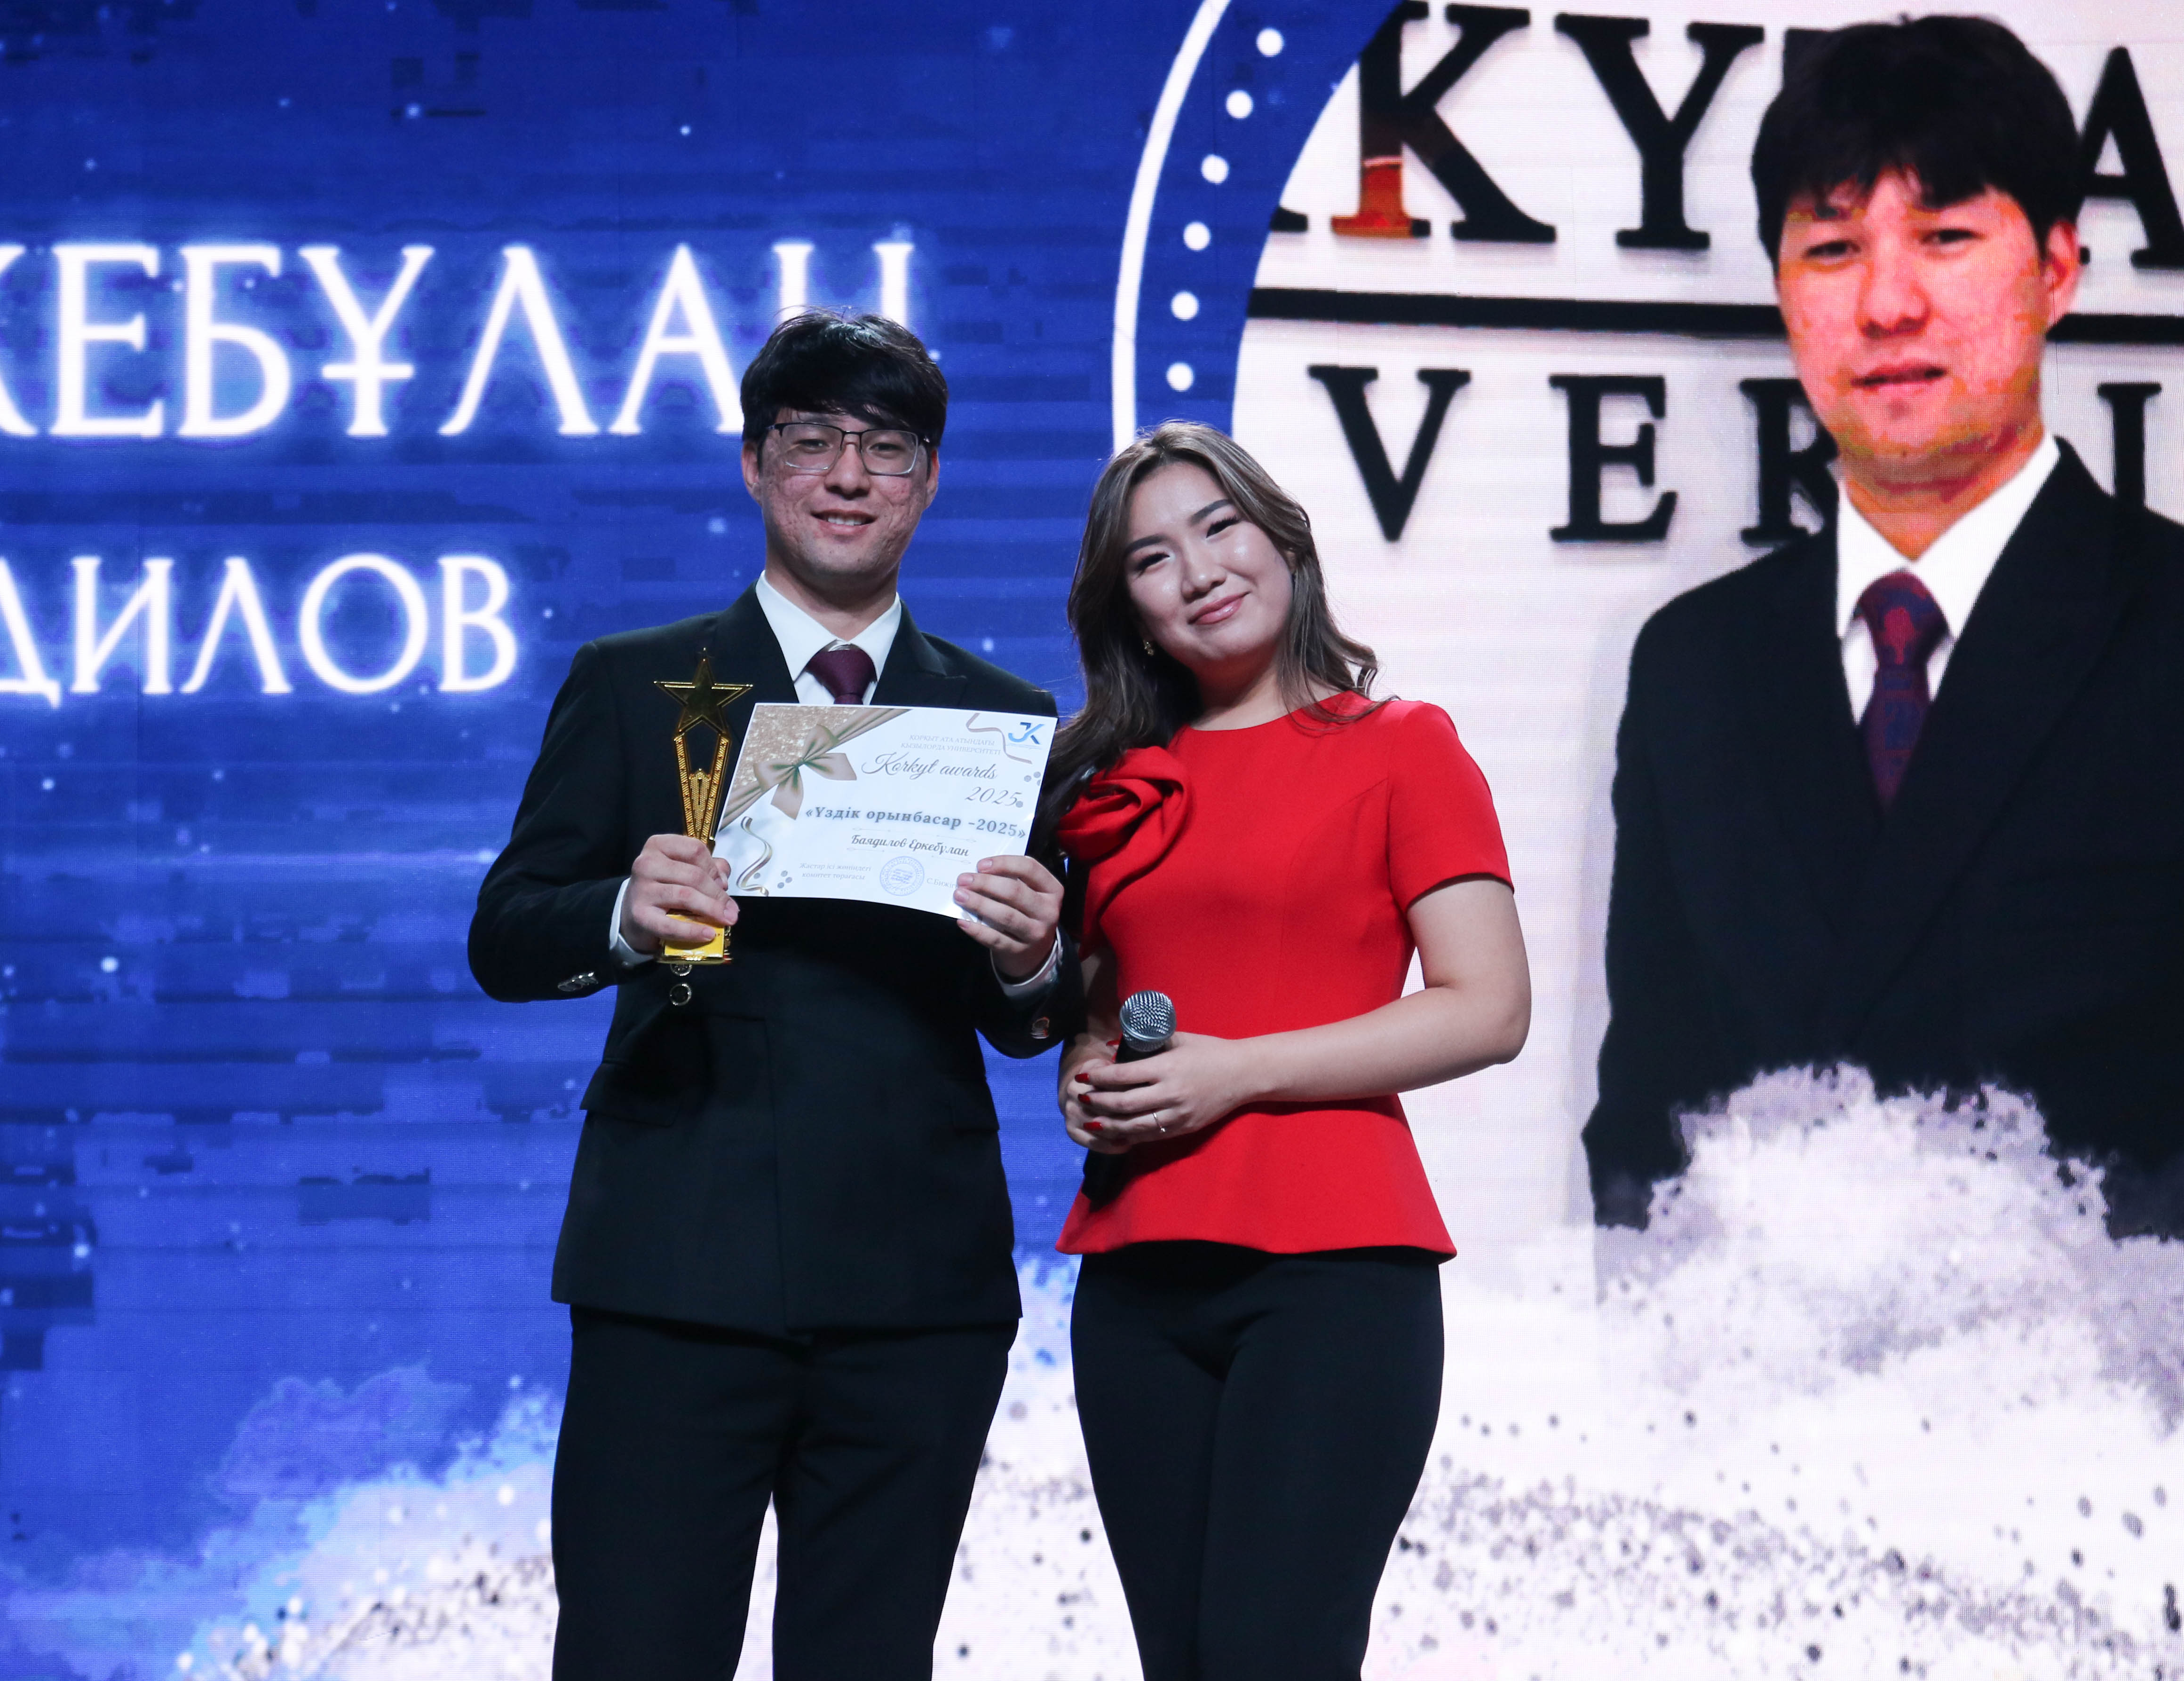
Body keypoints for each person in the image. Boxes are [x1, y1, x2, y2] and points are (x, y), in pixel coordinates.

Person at [467, 309, 1078, 1681]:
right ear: (754, 464)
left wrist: (1035, 957)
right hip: (674, 1273)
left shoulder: (1005, 720)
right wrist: (622, 914)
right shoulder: (635, 687)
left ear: (929, 481)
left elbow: (1030, 1017)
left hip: (915, 1291)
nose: (848, 475)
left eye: (887, 447)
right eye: (812, 441)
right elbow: (506, 937)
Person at [1585, 15, 2184, 1238]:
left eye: (1946, 237)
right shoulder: (1695, 667)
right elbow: (1648, 1120)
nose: (1886, 303)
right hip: (1757, 1356)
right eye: (1832, 247)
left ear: (2057, 269)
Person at [1045, 422, 1530, 1680]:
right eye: (1152, 557)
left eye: (1220, 528)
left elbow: (1488, 1007)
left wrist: (1236, 1071)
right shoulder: (1108, 781)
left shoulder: (1403, 744)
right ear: (1130, 609)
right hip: (1136, 1276)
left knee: (1276, 1658)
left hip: (1333, 1272)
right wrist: (1087, 1070)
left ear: (1286, 544)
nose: (1199, 569)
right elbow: (1104, 1010)